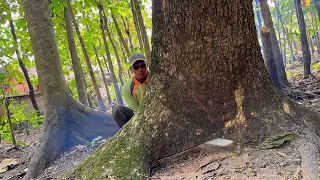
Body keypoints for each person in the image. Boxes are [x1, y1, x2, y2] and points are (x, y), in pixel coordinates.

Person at [112, 52, 150, 128]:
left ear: (147, 65)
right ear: (131, 69)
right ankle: (129, 133)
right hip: (139, 114)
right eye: (136, 67)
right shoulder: (127, 87)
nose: (140, 69)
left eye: (143, 66)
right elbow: (135, 110)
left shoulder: (156, 76)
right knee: (117, 110)